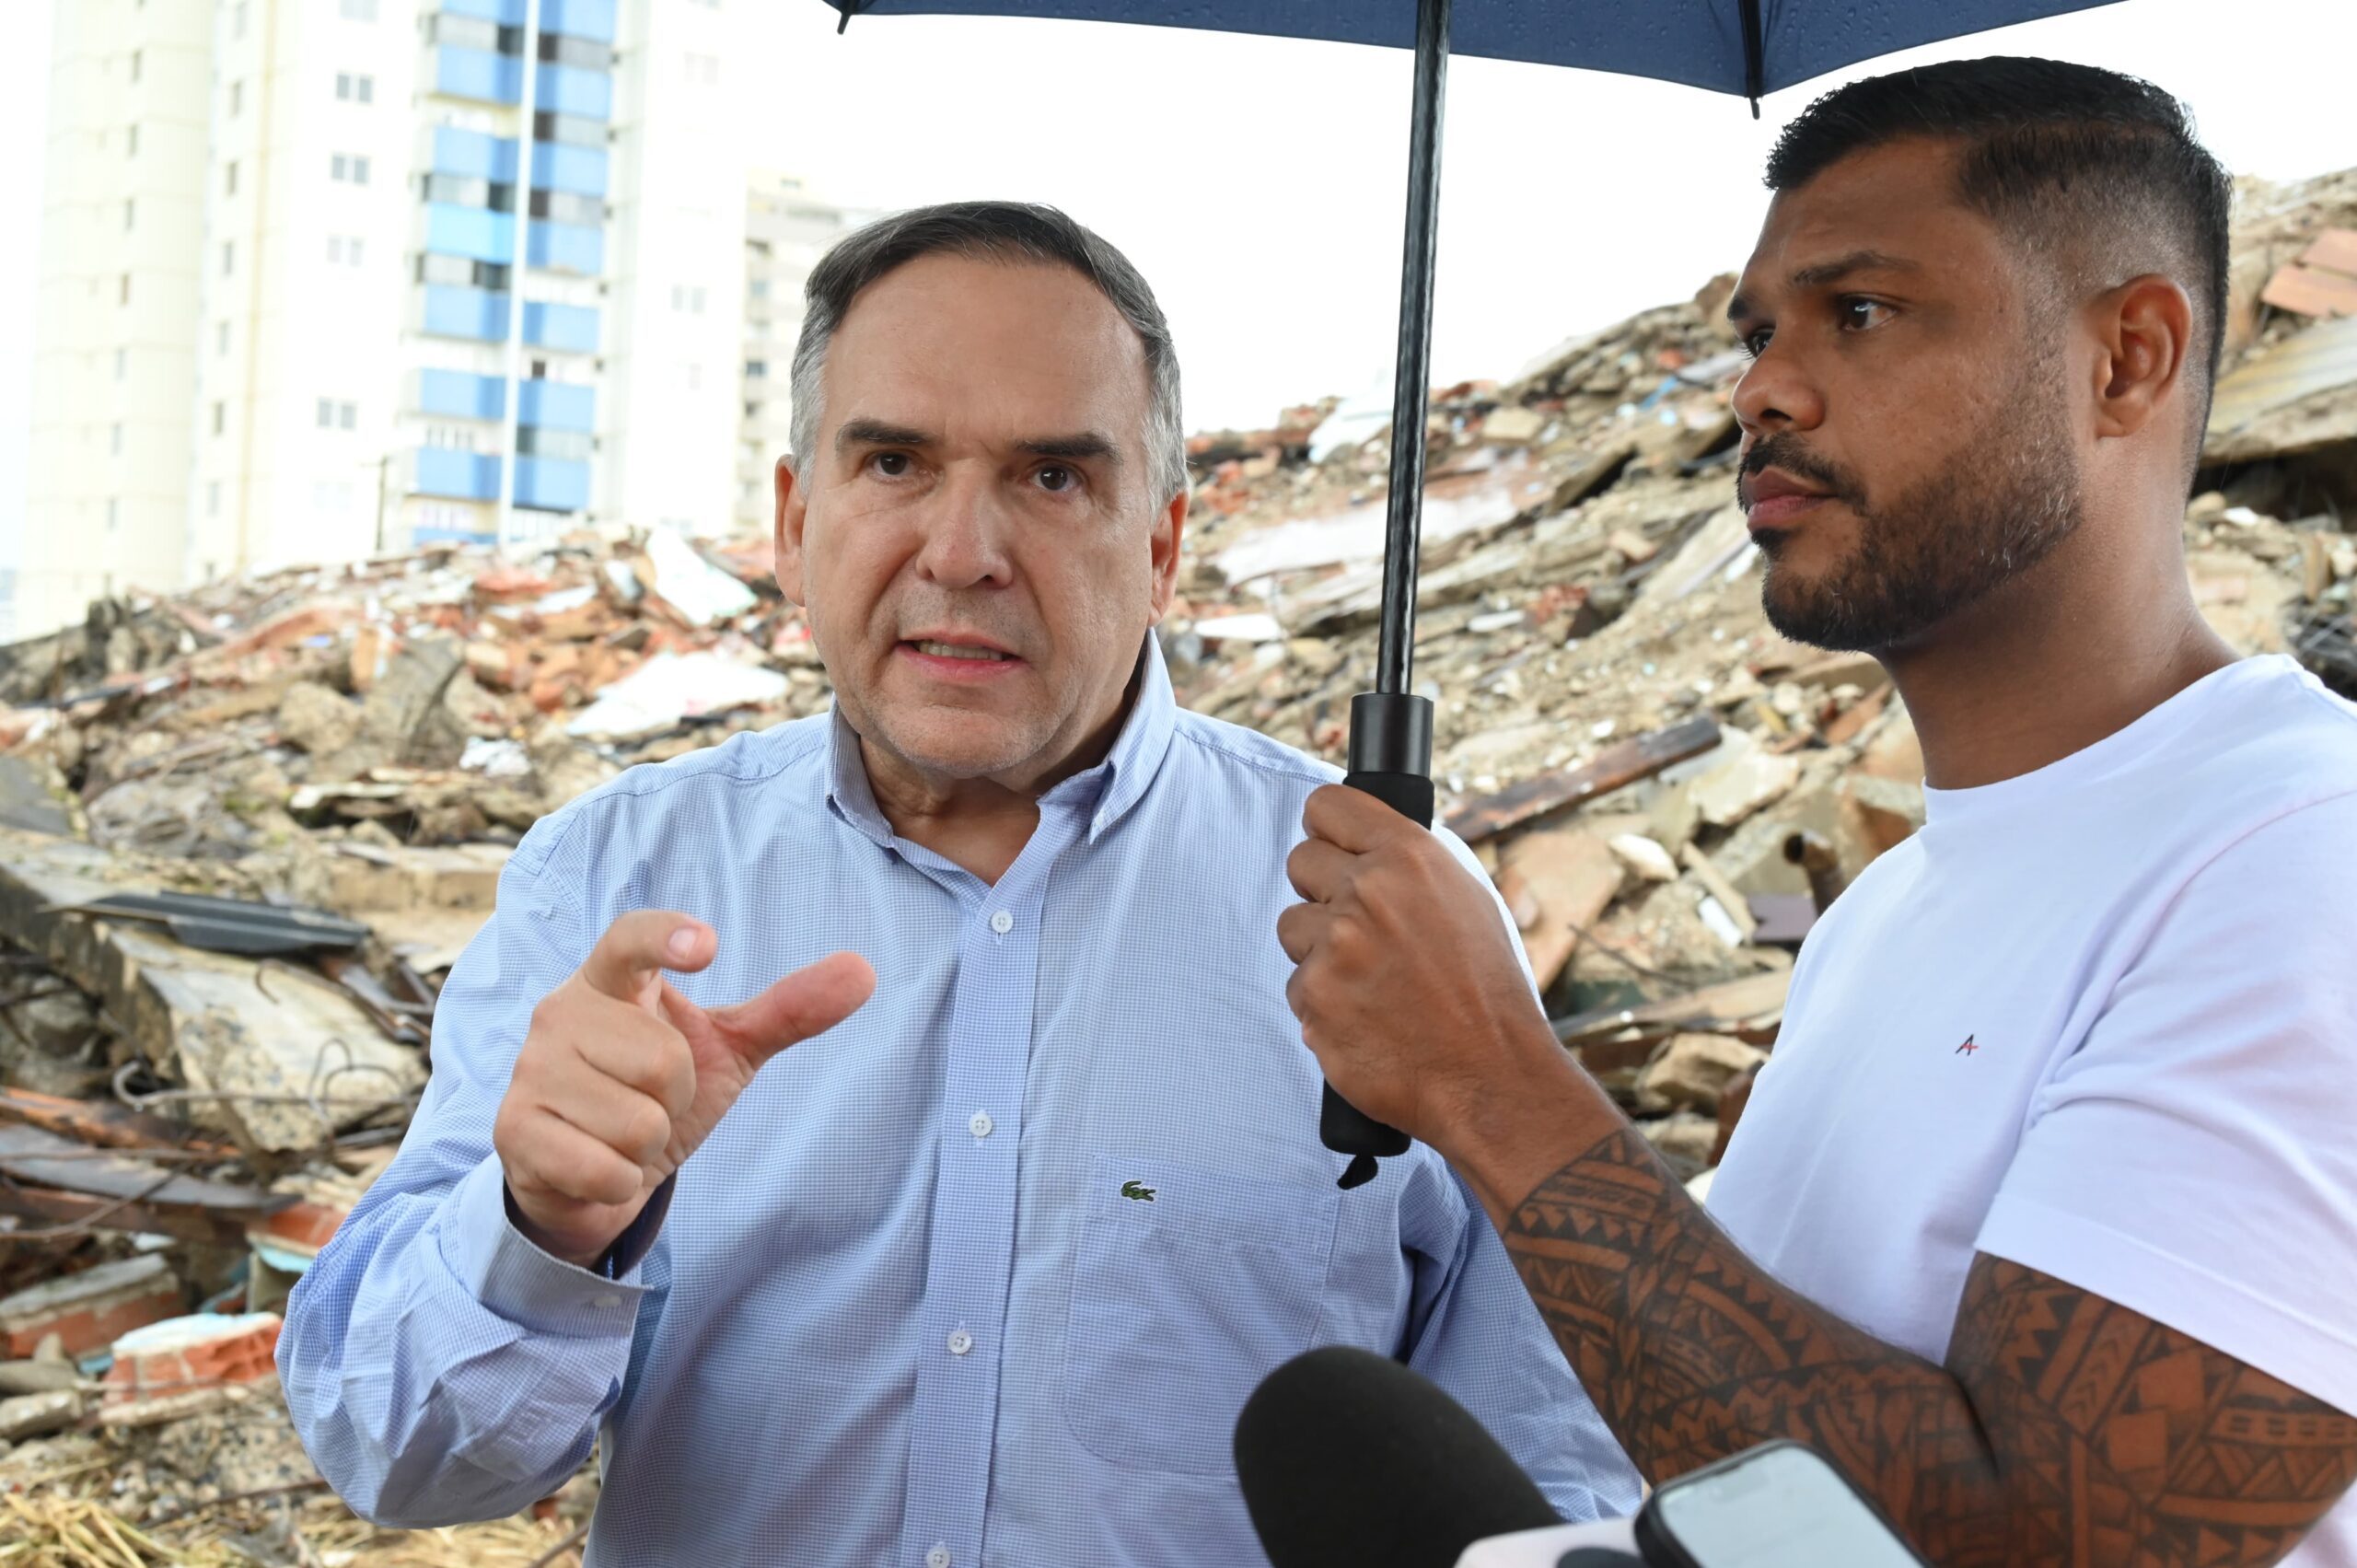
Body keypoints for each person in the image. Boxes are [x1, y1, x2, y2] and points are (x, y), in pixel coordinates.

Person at [278, 202, 1637, 1565]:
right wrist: (543, 1231)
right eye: (893, 463)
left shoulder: (1388, 914)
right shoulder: (615, 882)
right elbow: (397, 1460)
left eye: (1052, 478)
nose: (963, 551)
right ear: (794, 516)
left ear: (1160, 546)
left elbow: (1551, 1483)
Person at [1279, 58, 2357, 1568]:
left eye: (1860, 314)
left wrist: (1493, 1083)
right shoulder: (1879, 919)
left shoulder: (2305, 861)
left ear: (2128, 359)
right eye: (1757, 334)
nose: (1758, 392)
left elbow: (2066, 1547)